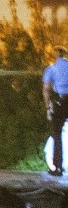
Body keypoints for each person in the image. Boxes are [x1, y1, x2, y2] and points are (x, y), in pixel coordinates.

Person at [43, 45, 68, 176]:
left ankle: (57, 167)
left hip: (59, 103)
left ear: (55, 55)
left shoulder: (51, 69)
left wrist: (48, 107)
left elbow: (46, 89)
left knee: (57, 134)